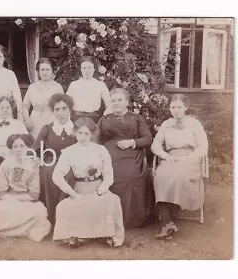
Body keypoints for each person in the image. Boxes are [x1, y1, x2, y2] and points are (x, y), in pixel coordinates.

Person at [52, 117, 124, 248]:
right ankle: (76, 236)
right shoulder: (69, 152)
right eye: (80, 133)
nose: (83, 137)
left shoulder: (101, 150)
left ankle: (108, 234)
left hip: (98, 188)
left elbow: (108, 174)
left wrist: (102, 189)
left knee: (112, 201)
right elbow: (56, 175)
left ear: (92, 134)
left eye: (86, 134)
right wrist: (72, 194)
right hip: (79, 190)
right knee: (64, 207)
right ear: (74, 133)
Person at [151, 94, 208, 239]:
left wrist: (189, 157)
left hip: (190, 159)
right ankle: (168, 223)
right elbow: (155, 145)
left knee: (178, 176)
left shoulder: (194, 123)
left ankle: (167, 222)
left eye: (179, 107)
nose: (175, 110)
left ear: (186, 108)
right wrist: (166, 156)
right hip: (171, 157)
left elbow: (203, 147)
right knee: (161, 176)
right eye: (173, 107)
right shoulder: (166, 124)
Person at [96, 88, 152, 229]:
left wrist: (132, 142)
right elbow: (95, 140)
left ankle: (130, 219)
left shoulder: (136, 118)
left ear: (127, 102)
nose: (116, 103)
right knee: (108, 175)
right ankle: (109, 218)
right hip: (109, 155)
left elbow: (147, 139)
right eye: (113, 100)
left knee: (129, 177)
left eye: (119, 100)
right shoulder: (104, 119)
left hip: (131, 154)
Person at [0, 134, 51, 242]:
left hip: (27, 199)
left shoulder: (33, 165)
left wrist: (20, 199)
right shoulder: (5, 164)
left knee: (39, 212)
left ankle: (25, 231)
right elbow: (1, 192)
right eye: (15, 146)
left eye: (22, 146)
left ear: (28, 148)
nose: (18, 149)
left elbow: (34, 194)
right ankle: (8, 231)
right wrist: (12, 199)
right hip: (8, 198)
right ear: (11, 149)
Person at [32, 93, 77, 225]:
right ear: (53, 111)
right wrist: (37, 159)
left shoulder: (76, 128)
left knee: (69, 175)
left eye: (64, 108)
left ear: (70, 110)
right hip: (51, 161)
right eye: (57, 109)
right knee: (48, 172)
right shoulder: (47, 128)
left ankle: (68, 220)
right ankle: (52, 218)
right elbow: (36, 150)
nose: (61, 112)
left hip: (71, 162)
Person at [22, 58, 64, 138]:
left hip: (51, 119)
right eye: (42, 69)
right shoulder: (32, 87)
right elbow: (25, 106)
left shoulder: (57, 87)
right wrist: (27, 119)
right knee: (35, 144)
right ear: (38, 71)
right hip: (35, 120)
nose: (45, 72)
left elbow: (62, 107)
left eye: (47, 69)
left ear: (52, 71)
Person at [66, 56, 112, 123]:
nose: (86, 70)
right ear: (81, 69)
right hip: (76, 118)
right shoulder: (74, 84)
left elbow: (109, 103)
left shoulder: (100, 85)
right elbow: (66, 103)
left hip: (93, 118)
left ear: (94, 69)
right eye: (84, 68)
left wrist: (105, 114)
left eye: (89, 68)